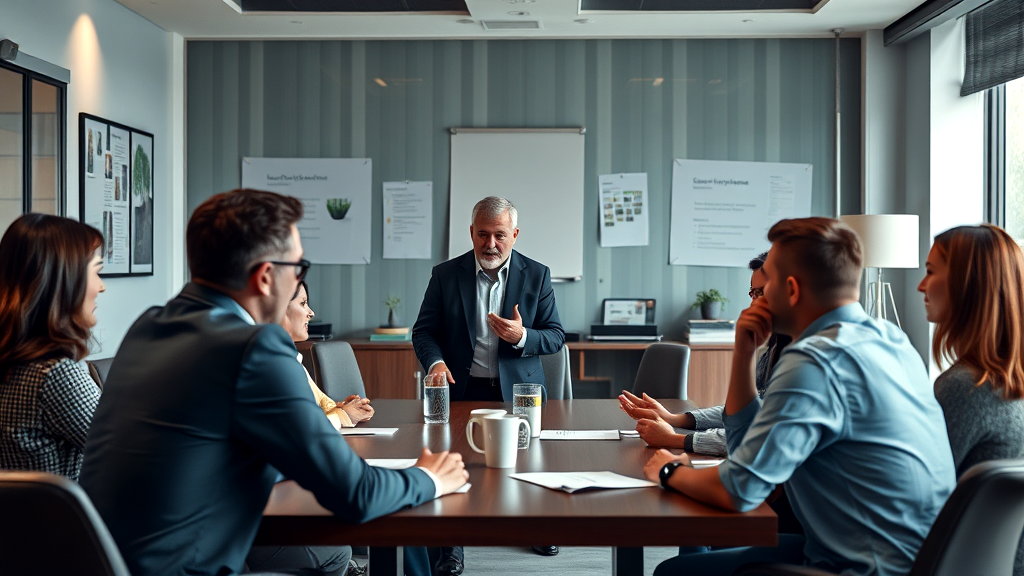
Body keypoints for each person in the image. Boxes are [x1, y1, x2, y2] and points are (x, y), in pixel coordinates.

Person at [80, 189, 468, 576]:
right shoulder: (254, 347)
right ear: (266, 277)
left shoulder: (148, 326)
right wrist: (430, 477)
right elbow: (355, 494)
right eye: (299, 269)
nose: (299, 280)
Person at [643, 217, 955, 576]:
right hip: (917, 560)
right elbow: (748, 454)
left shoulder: (815, 360)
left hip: (867, 568)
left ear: (790, 289)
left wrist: (669, 469)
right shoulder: (892, 340)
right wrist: (744, 355)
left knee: (674, 572)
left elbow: (740, 491)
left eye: (767, 283)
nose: (756, 297)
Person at [412, 196, 565, 573]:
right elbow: (424, 331)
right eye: (483, 234)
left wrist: (521, 336)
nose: (491, 244)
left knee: (528, 460)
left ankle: (535, 525)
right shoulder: (446, 275)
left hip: (519, 391)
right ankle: (450, 546)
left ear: (514, 235)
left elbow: (556, 336)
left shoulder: (537, 274)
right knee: (454, 463)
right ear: (471, 233)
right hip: (463, 388)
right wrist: (435, 361)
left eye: (499, 235)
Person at [917, 224, 1024, 574]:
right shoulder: (1009, 384)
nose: (921, 285)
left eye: (930, 272)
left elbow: (918, 495)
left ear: (967, 285)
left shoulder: (965, 387)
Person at [619, 251, 792, 456]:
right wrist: (674, 419)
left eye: (762, 293)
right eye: (753, 293)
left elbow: (758, 439)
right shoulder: (775, 346)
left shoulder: (804, 362)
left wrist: (675, 439)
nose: (754, 304)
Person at [0, 214, 105, 482]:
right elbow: (127, 455)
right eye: (96, 271)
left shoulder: (14, 364)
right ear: (66, 282)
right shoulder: (56, 375)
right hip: (63, 523)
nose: (101, 287)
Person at [282, 280, 374, 429]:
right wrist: (344, 415)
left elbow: (317, 405)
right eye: (303, 303)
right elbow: (299, 427)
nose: (311, 313)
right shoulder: (276, 364)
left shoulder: (291, 357)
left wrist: (344, 407)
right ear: (279, 308)